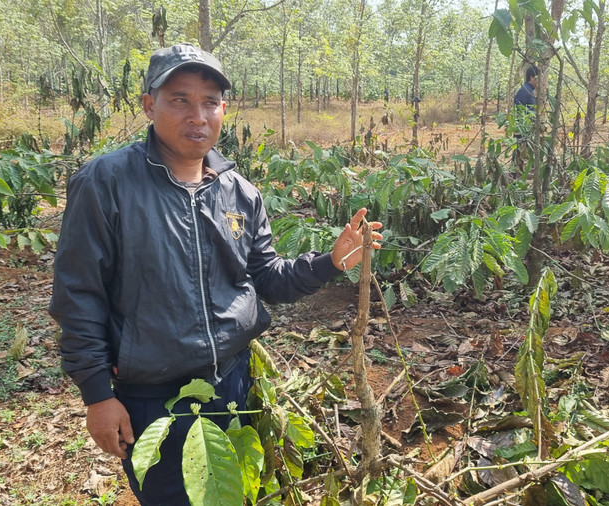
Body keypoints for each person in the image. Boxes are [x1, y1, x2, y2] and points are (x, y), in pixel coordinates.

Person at [48, 43, 383, 505]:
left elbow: (266, 277)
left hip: (232, 381)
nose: (197, 116)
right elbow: (78, 295)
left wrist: (329, 262)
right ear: (149, 105)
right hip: (152, 394)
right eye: (179, 99)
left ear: (224, 108)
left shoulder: (240, 192)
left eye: (210, 102)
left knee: (232, 493)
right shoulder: (105, 182)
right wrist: (97, 395)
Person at [511, 66, 539, 179]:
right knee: (518, 156)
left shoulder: (530, 91)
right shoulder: (524, 91)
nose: (539, 81)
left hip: (529, 130)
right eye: (538, 78)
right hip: (523, 131)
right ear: (532, 77)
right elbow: (518, 112)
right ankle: (513, 178)